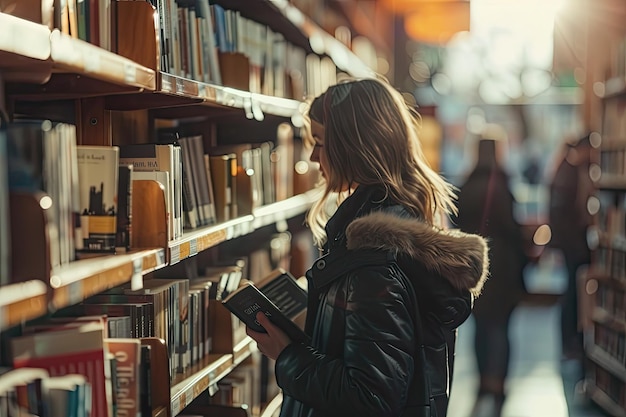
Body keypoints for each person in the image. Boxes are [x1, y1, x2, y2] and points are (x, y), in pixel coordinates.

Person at [245, 77, 489, 417]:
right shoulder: (390, 237)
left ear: (353, 147)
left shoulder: (373, 262)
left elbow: (369, 399)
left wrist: (288, 356)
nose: (314, 158)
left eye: (320, 142)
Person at [453, 126, 528, 417]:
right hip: (504, 266)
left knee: (481, 326)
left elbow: (457, 226)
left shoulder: (466, 185)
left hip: (474, 267)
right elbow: (511, 229)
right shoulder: (502, 185)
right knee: (502, 327)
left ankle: (484, 380)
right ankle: (498, 384)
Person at [548, 134, 594, 361]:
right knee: (572, 293)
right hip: (574, 244)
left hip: (573, 243)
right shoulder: (570, 171)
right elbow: (563, 213)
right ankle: (570, 342)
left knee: (573, 291)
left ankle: (572, 341)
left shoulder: (568, 169)